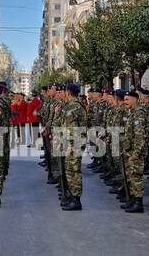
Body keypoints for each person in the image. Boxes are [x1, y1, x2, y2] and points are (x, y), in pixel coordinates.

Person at [61, 83, 87, 211]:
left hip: (74, 143)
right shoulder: (75, 105)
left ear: (68, 92)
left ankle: (76, 200)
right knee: (71, 170)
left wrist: (71, 145)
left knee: (73, 171)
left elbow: (72, 128)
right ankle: (73, 197)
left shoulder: (73, 106)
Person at [120, 91, 146, 213]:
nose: (125, 102)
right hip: (129, 151)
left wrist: (136, 153)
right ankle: (132, 199)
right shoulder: (132, 113)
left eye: (127, 99)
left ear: (134, 99)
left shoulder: (139, 114)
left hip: (136, 153)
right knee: (130, 176)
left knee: (136, 177)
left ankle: (138, 202)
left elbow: (139, 136)